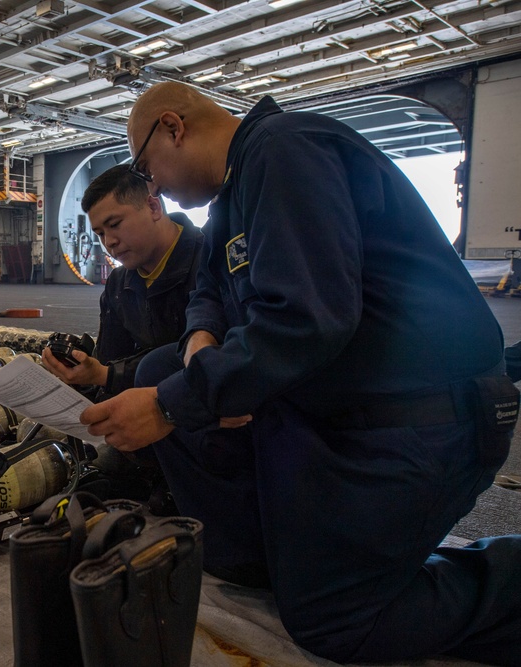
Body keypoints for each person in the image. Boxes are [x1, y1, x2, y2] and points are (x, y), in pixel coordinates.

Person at [81, 81, 521, 664]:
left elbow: (308, 321)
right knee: (167, 367)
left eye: (146, 167)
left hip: (425, 418)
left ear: (174, 127)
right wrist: (200, 344)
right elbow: (209, 290)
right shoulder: (233, 195)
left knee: (334, 622)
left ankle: (507, 582)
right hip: (342, 404)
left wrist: (168, 406)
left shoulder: (284, 152)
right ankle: (269, 553)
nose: (153, 185)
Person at [41, 165, 204, 398]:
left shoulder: (210, 261)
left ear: (153, 207)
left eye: (115, 224)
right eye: (100, 233)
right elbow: (109, 363)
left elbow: (203, 363)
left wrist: (106, 375)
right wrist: (82, 376)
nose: (109, 242)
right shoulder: (118, 285)